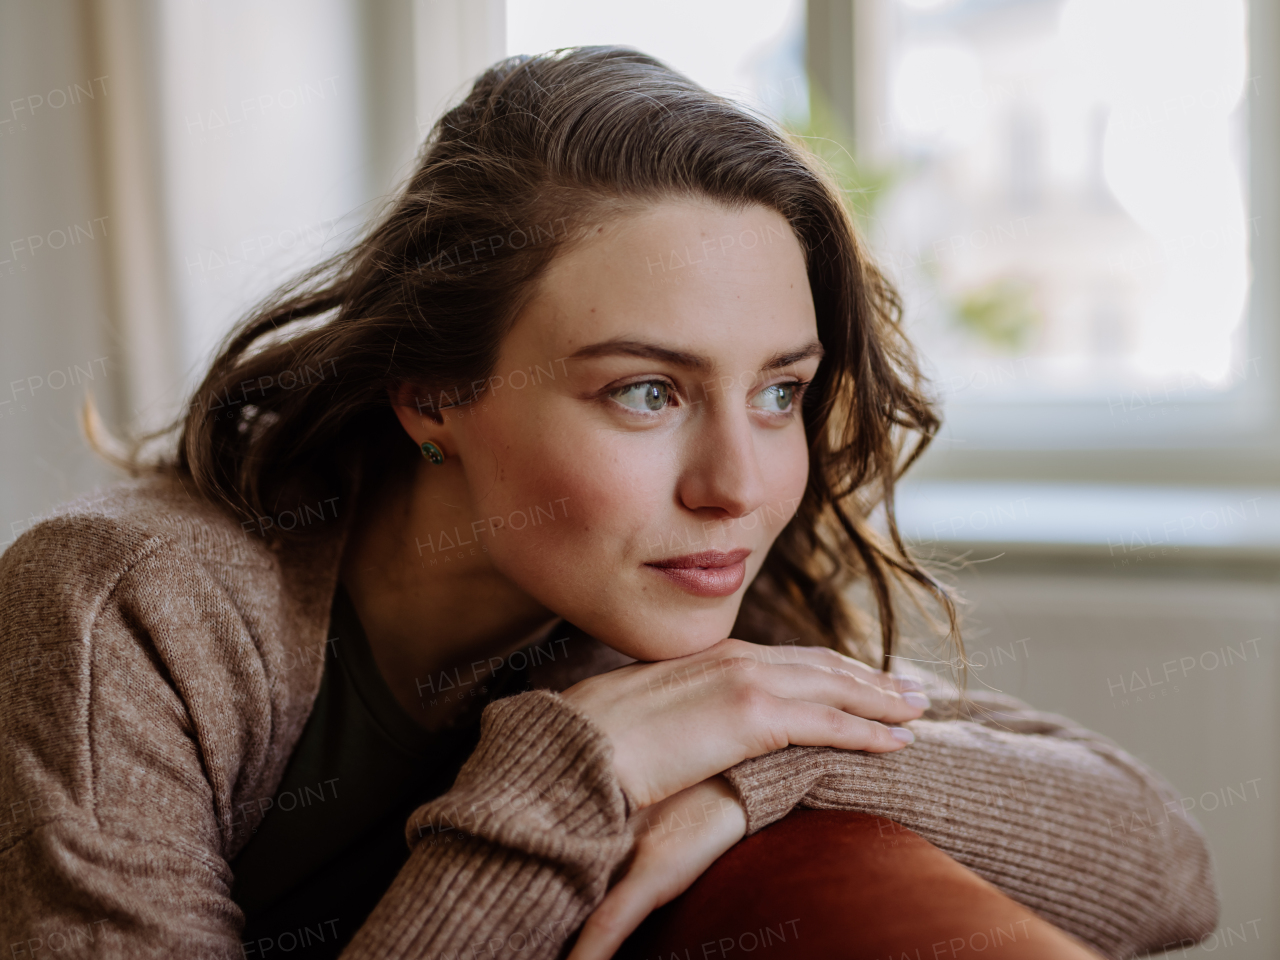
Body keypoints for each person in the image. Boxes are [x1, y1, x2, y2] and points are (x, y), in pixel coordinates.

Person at [0, 47, 1215, 960]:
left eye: (779, 391)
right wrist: (564, 778)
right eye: (645, 391)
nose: (735, 488)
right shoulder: (127, 613)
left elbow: (1165, 867)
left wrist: (775, 766)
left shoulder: (658, 621)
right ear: (432, 394)